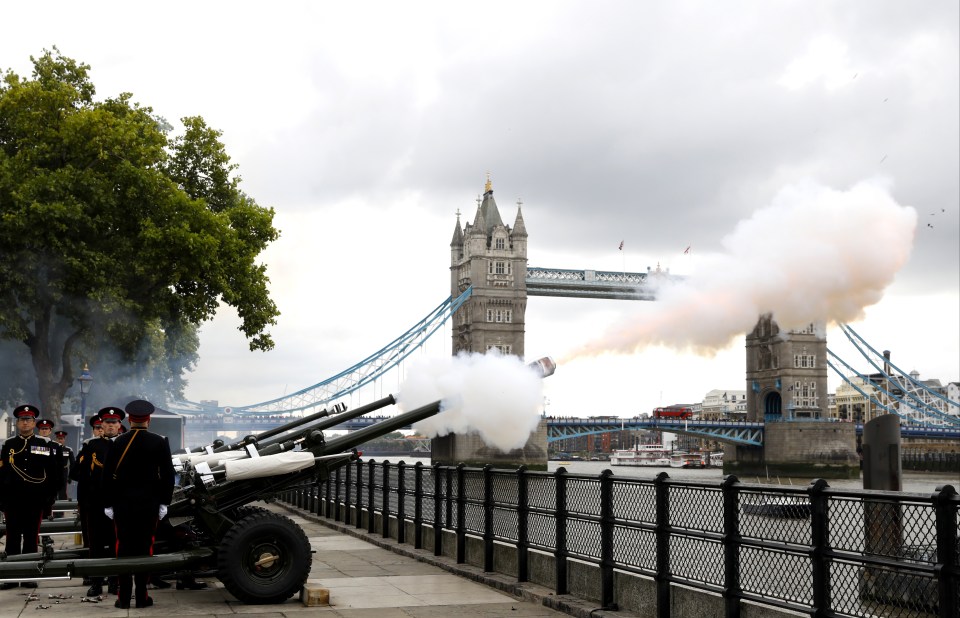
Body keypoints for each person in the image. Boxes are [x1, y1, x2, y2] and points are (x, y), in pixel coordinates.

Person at [102, 399, 175, 609]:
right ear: (149, 420)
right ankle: (142, 597)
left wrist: (108, 503)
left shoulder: (118, 443)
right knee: (145, 548)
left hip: (122, 505)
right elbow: (168, 476)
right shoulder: (160, 442)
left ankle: (123, 598)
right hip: (149, 505)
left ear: (129, 419)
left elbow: (106, 476)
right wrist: (164, 502)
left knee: (122, 548)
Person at [0, 405, 62, 589]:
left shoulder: (44, 444)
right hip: (13, 499)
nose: (25, 422)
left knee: (31, 538)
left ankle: (28, 575)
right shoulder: (9, 445)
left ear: (34, 423)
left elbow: (53, 473)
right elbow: (2, 473)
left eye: (29, 419)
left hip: (35, 499)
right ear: (17, 423)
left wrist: (49, 498)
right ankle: (10, 576)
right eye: (22, 419)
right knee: (12, 538)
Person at [72, 408, 124, 597]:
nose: (110, 425)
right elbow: (78, 473)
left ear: (120, 425)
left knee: (115, 544)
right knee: (95, 546)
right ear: (101, 425)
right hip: (95, 504)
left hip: (118, 504)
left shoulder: (125, 444)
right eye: (107, 422)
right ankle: (96, 582)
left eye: (114, 422)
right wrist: (83, 502)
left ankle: (114, 582)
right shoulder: (91, 446)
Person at [53, 430, 75, 501]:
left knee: (62, 492)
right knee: (53, 492)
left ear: (64, 439)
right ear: (56, 439)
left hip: (63, 472)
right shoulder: (52, 449)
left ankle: (61, 511)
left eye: (62, 439)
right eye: (59, 438)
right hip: (54, 472)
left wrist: (70, 476)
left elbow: (72, 463)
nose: (60, 440)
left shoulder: (68, 450)